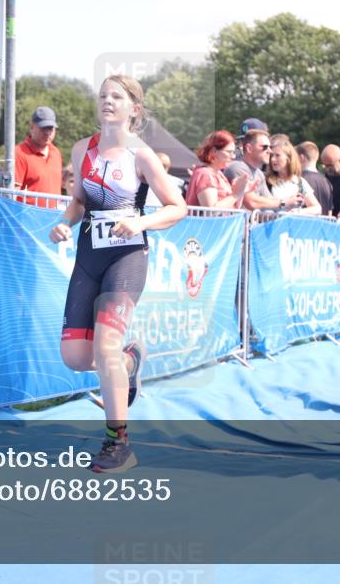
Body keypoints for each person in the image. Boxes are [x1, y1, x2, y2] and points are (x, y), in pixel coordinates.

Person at [48, 75, 186, 473]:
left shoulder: (141, 155)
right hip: (89, 256)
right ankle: (129, 363)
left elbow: (177, 207)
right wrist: (64, 222)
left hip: (126, 259)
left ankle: (118, 442)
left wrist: (140, 224)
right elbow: (78, 200)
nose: (107, 102)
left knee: (105, 348)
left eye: (117, 97)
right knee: (76, 357)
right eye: (103, 96)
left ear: (134, 109)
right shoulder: (80, 151)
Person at [223, 129, 293, 211]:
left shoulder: (259, 174)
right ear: (249, 148)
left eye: (270, 147)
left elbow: (270, 201)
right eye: (265, 147)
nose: (270, 151)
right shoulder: (236, 167)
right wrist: (285, 203)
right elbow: (252, 202)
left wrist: (291, 209)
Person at [184, 131, 249, 208]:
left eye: (233, 152)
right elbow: (211, 211)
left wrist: (241, 190)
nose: (233, 156)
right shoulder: (205, 174)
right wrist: (235, 195)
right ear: (214, 151)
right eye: (229, 152)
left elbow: (234, 207)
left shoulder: (219, 174)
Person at [14, 106, 62, 207]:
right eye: (43, 128)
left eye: (51, 128)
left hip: (53, 218)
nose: (47, 133)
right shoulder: (19, 153)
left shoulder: (56, 153)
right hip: (26, 219)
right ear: (32, 127)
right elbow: (13, 193)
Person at [266, 135, 321, 215]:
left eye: (277, 155)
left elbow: (317, 208)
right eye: (271, 156)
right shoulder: (267, 181)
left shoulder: (300, 182)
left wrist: (299, 212)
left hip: (293, 226)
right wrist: (286, 203)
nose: (272, 159)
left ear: (288, 159)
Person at [296, 140, 333, 216]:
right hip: (324, 226)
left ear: (301, 158)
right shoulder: (327, 181)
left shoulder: (299, 180)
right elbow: (330, 212)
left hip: (305, 225)